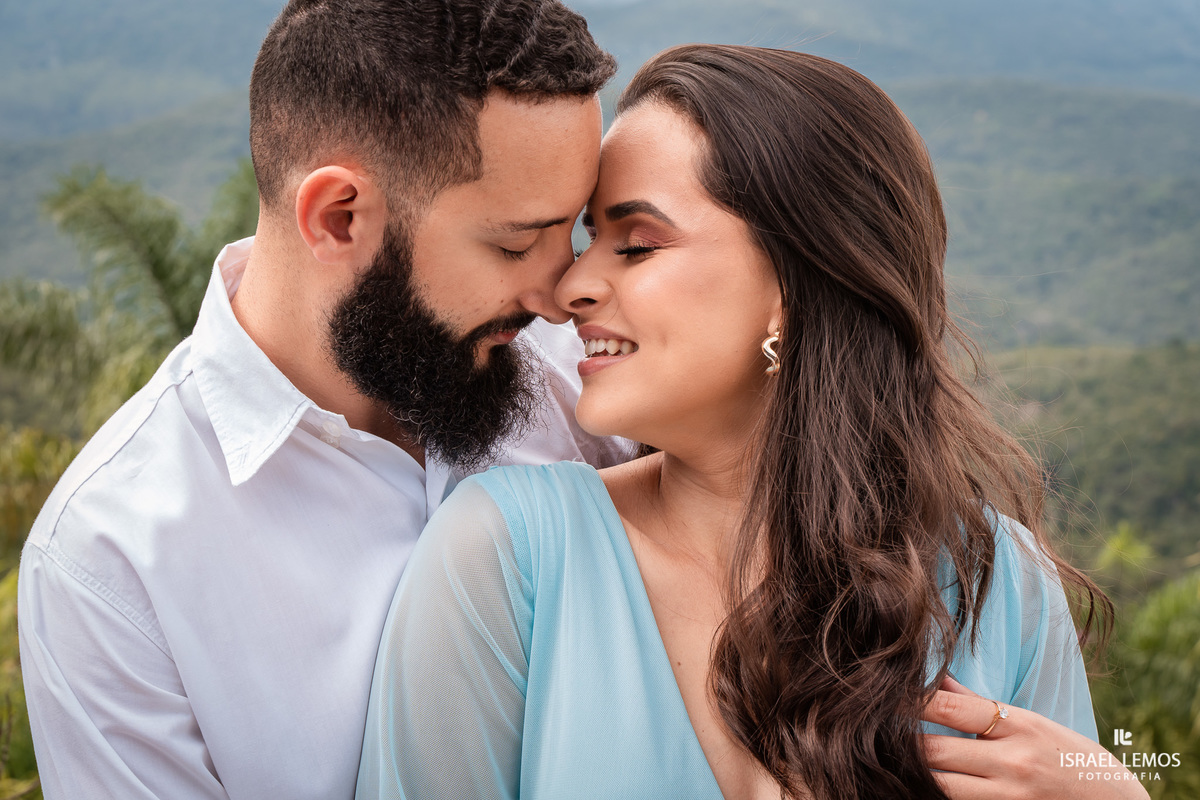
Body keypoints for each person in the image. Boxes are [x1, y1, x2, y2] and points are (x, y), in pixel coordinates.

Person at [356, 45, 1149, 800]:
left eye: (636, 245)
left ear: (793, 286)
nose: (570, 288)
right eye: (591, 238)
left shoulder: (999, 584)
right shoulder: (506, 558)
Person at [17, 2, 628, 798]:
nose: (562, 293)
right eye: (516, 243)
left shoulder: (585, 371)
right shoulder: (111, 567)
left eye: (573, 231)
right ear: (339, 219)